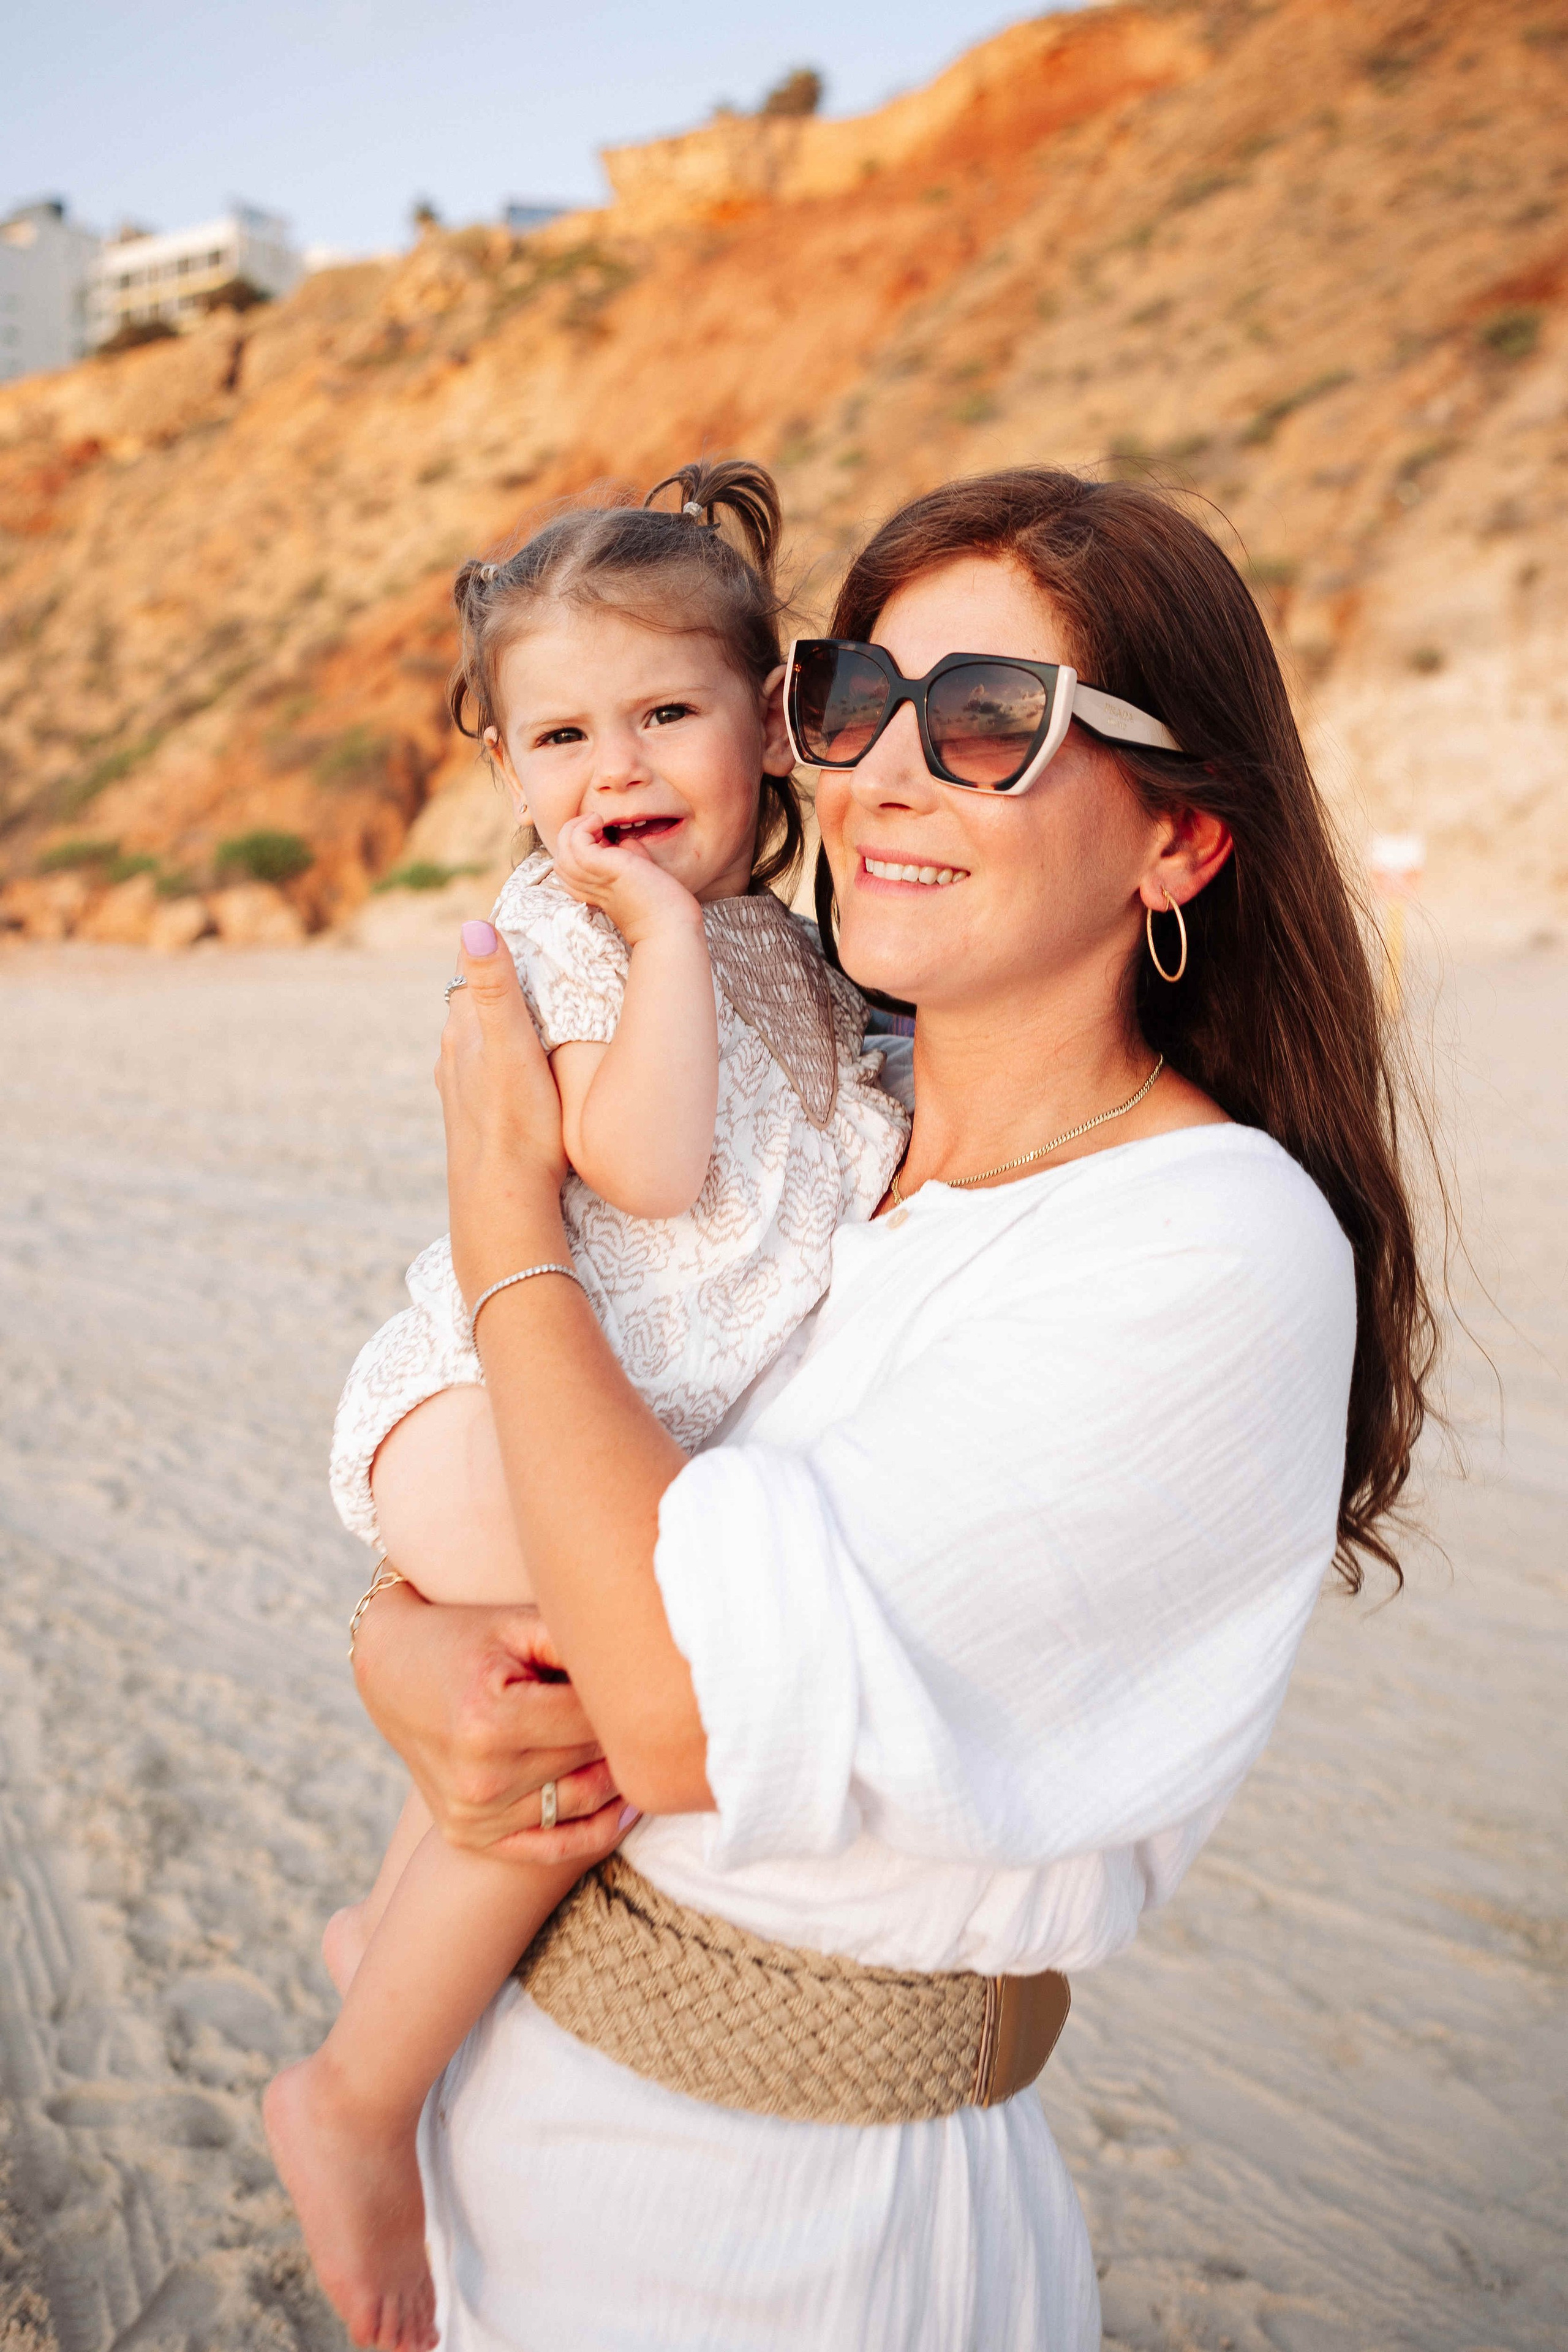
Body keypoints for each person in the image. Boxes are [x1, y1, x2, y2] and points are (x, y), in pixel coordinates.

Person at [347, 467, 1438, 2352]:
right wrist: (401, 1652)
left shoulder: (1207, 1241)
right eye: (856, 701)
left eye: (996, 722)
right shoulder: (824, 1144)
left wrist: (503, 1203)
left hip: (796, 2236)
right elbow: (575, 1507)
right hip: (512, 2134)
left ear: (1178, 844)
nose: (887, 778)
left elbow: (683, 1703)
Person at [262, 459, 910, 2351]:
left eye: (661, 716)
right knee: (583, 1726)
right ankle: (355, 2103)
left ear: (770, 727)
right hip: (486, 1406)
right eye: (559, 736)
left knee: (531, 1721)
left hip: (588, 1413)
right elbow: (634, 1162)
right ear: (508, 772)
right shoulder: (568, 935)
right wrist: (650, 933)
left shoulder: (787, 951)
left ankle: (385, 1945)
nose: (610, 768)